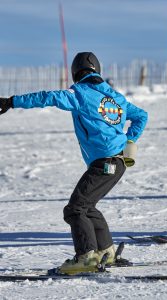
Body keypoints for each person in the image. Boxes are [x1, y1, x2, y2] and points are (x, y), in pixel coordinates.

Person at [0, 52, 148, 274]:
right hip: (119, 161)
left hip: (104, 163)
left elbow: (47, 96)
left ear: (76, 73)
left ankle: (86, 257)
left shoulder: (79, 93)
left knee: (75, 209)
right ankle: (106, 252)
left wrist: (12, 101)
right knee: (87, 207)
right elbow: (142, 115)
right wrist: (130, 140)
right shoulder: (117, 97)